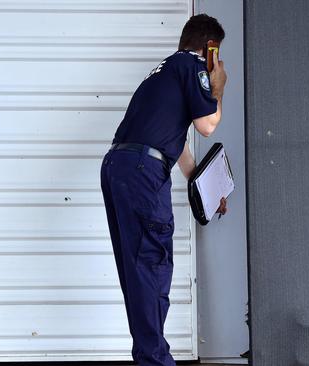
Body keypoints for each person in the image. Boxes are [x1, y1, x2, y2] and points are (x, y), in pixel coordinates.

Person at [99, 14, 228, 366]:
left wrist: (204, 188)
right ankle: (155, 361)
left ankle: (149, 357)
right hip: (141, 172)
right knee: (152, 267)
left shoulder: (164, 72)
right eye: (218, 54)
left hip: (118, 166)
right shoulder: (193, 66)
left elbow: (178, 145)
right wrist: (219, 85)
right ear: (209, 48)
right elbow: (207, 125)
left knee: (138, 273)